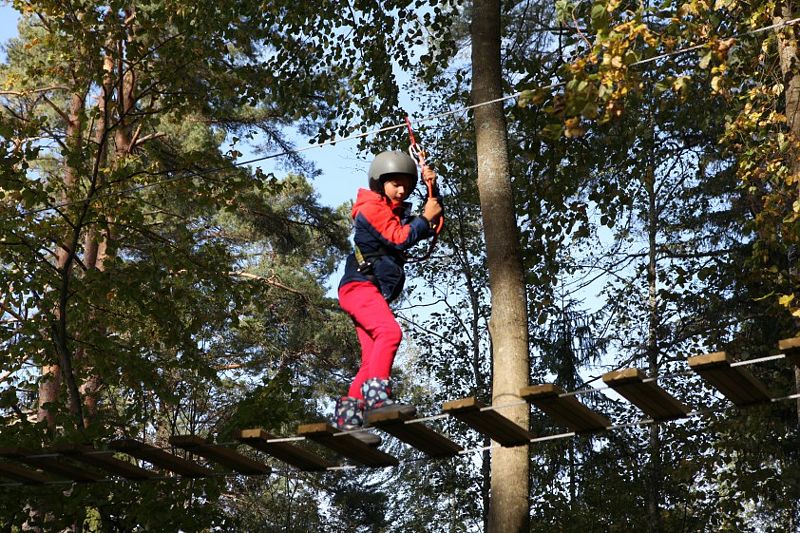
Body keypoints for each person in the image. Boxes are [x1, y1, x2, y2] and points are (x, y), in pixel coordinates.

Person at [334, 150, 443, 443]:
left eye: (406, 185)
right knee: (390, 333)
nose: (402, 190)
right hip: (360, 287)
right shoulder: (370, 208)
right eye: (395, 184)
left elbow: (428, 223)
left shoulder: (393, 213)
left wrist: (433, 190)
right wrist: (424, 218)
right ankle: (378, 402)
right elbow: (400, 237)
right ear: (379, 183)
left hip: (365, 290)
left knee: (371, 358)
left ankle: (348, 421)